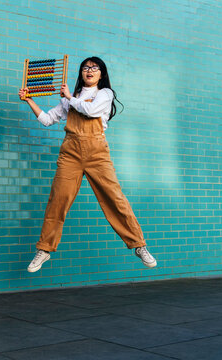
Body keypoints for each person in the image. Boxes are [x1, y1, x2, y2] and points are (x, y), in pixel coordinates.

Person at [19, 56, 157, 272]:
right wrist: (30, 100)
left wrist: (69, 98)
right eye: (85, 68)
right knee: (58, 199)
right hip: (70, 153)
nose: (89, 71)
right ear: (81, 73)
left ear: (101, 73)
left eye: (94, 68)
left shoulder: (105, 94)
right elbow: (47, 120)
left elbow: (90, 111)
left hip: (97, 153)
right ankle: (44, 250)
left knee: (114, 198)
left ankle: (139, 245)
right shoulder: (70, 98)